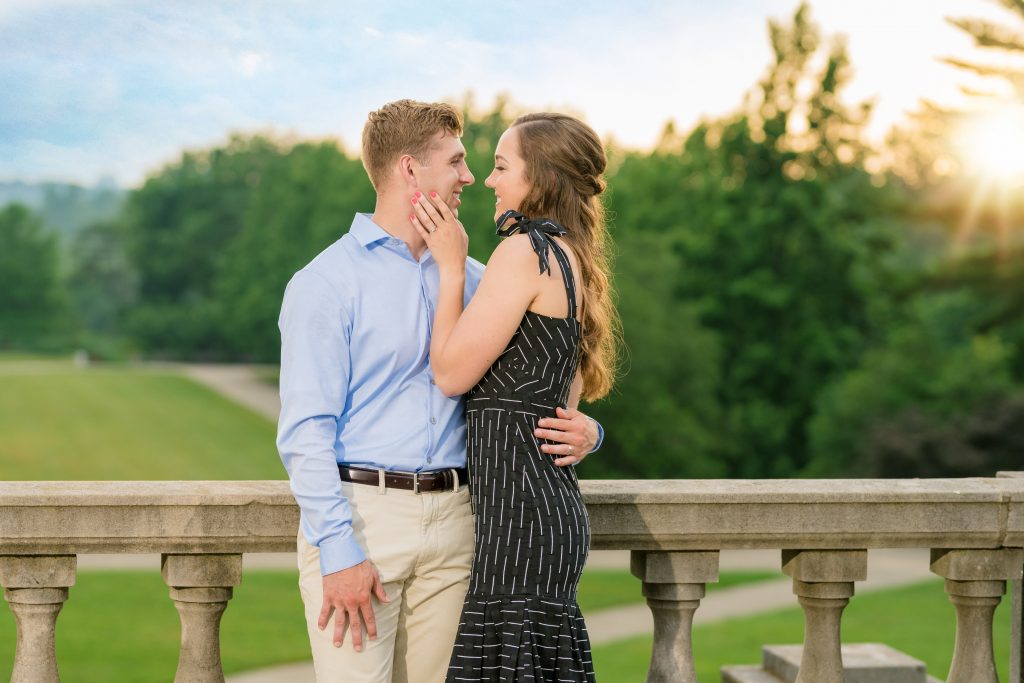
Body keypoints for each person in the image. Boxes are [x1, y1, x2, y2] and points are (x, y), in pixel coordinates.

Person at [276, 100, 605, 683]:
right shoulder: (326, 283)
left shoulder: (481, 277)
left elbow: (554, 368)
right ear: (410, 169)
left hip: (462, 525)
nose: (470, 177)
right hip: (366, 523)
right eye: (456, 162)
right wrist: (338, 549)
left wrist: (589, 430)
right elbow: (305, 432)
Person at [408, 112, 618, 682]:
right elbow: (563, 401)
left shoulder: (527, 251)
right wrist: (593, 433)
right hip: (538, 521)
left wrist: (451, 267)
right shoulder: (568, 256)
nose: (491, 180)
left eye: (502, 166)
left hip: (522, 529)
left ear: (541, 177)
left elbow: (450, 374)